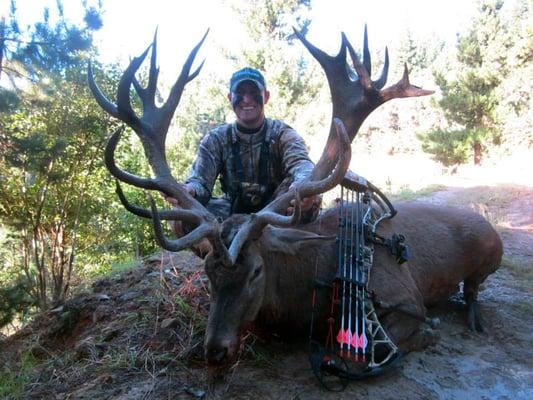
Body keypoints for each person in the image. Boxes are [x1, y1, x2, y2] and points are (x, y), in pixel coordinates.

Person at [166, 67, 321, 224]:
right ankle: (217, 248)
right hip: (233, 213)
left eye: (254, 93)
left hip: (276, 211)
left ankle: (276, 243)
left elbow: (302, 164)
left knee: (308, 197)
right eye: (240, 94)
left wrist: (302, 185)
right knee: (181, 213)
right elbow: (199, 182)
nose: (247, 99)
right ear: (230, 97)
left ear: (266, 96)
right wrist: (189, 191)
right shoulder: (216, 140)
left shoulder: (283, 134)